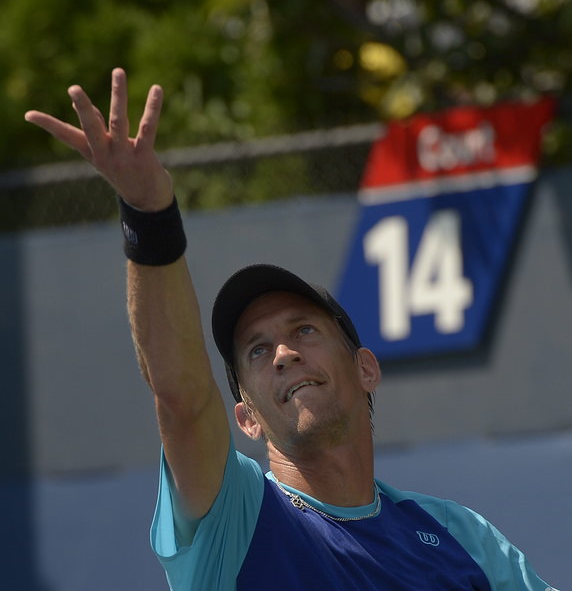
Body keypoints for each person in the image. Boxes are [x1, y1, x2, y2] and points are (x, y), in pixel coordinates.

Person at [25, 69, 557, 590]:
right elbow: (182, 398)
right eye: (256, 352)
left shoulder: (461, 536)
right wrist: (147, 214)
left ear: (365, 368)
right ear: (247, 419)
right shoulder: (233, 519)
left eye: (304, 330)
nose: (282, 353)